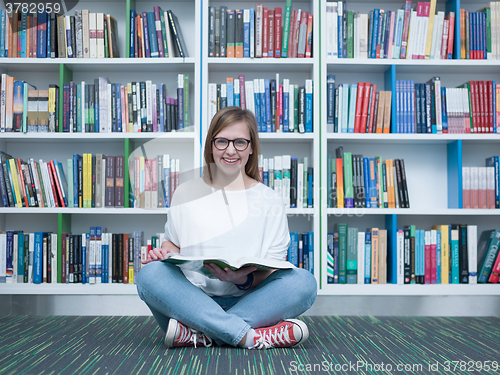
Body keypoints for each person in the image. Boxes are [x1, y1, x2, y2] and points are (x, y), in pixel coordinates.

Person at [136, 106, 317, 349]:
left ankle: (203, 334)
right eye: (222, 141)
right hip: (190, 302)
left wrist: (242, 279)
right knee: (149, 274)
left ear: (251, 148)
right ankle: (250, 337)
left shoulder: (269, 199)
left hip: (252, 302)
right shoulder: (185, 192)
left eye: (240, 142)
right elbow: (172, 242)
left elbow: (273, 271)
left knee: (304, 282)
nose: (230, 150)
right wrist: (164, 253)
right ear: (211, 145)